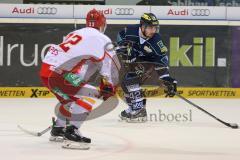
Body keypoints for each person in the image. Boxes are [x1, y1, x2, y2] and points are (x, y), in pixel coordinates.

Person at [39, 9, 120, 149]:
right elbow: (107, 65)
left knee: (72, 99)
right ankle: (72, 132)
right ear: (102, 24)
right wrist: (108, 86)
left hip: (47, 72)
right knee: (89, 96)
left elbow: (73, 59)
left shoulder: (75, 33)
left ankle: (58, 129)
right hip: (60, 75)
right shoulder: (103, 39)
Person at [116, 13, 177, 123]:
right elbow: (120, 35)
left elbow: (161, 60)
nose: (153, 30)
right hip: (135, 62)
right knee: (125, 83)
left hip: (149, 64)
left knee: (130, 79)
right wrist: (122, 46)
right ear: (142, 26)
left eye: (155, 27)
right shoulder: (130, 30)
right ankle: (134, 107)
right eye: (150, 27)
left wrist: (166, 77)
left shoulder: (156, 41)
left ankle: (139, 111)